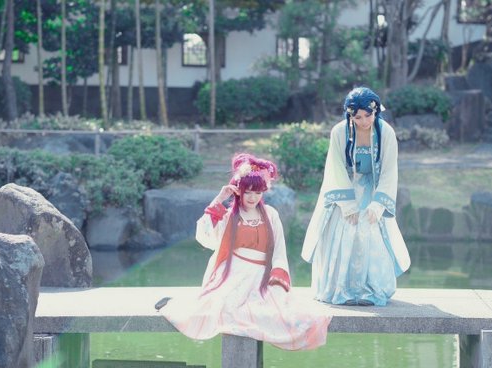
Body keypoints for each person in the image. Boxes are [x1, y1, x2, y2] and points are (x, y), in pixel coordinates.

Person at [156, 153, 332, 351]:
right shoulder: (230, 216)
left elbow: (279, 250)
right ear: (238, 191)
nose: (252, 197)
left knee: (279, 311)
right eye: (248, 192)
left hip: (262, 274)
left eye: (257, 193)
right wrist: (219, 199)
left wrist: (277, 276)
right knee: (225, 307)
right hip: (233, 272)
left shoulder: (271, 214)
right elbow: (204, 235)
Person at [301, 87, 410, 306]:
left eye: (368, 115)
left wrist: (378, 204)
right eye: (358, 117)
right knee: (343, 233)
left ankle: (371, 289)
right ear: (349, 115)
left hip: (373, 190)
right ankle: (341, 289)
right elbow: (335, 167)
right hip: (345, 190)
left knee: (371, 234)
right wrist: (347, 205)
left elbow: (389, 171)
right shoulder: (339, 132)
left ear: (376, 111)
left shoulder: (386, 133)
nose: (364, 121)